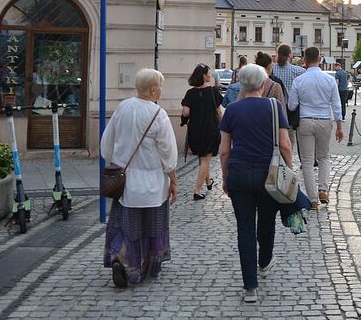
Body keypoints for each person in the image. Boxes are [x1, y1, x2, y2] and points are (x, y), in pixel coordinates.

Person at [219, 64, 300, 303]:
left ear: (241, 85)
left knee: (244, 228)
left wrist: (225, 177)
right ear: (264, 84)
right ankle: (264, 262)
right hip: (270, 175)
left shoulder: (231, 110)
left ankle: (250, 288)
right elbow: (285, 145)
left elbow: (224, 151)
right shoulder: (274, 107)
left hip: (240, 174)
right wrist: (290, 170)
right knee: (266, 221)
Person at [101, 68, 178, 288]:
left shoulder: (122, 108)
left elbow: (106, 145)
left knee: (127, 226)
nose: (161, 90)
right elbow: (168, 154)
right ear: (154, 89)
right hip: (153, 182)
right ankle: (149, 264)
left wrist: (119, 162)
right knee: (153, 226)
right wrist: (173, 179)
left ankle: (122, 261)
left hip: (125, 183)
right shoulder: (157, 114)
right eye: (160, 86)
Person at [289, 47, 344, 209]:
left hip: (305, 121)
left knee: (306, 161)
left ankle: (312, 199)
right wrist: (339, 126)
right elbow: (336, 104)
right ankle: (323, 189)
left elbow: (292, 106)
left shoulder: (299, 81)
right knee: (324, 157)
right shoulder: (329, 80)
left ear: (304, 61)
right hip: (324, 120)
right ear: (320, 59)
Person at [181, 64, 223, 200]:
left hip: (195, 129)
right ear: (204, 76)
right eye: (209, 73)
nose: (210, 75)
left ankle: (208, 181)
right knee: (205, 159)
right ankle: (197, 190)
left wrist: (185, 119)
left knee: (203, 158)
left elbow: (185, 112)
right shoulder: (213, 92)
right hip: (210, 129)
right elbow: (219, 112)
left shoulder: (190, 93)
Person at [274, 44, 305, 159]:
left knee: (275, 135)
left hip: (274, 107)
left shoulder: (272, 69)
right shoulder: (297, 71)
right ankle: (288, 158)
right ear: (289, 55)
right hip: (289, 108)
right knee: (289, 136)